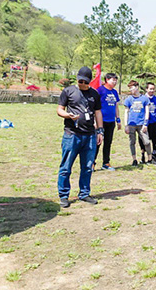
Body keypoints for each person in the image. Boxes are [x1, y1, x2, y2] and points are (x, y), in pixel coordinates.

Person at [56, 66, 104, 207]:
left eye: (85, 82)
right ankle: (64, 195)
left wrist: (100, 131)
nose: (82, 84)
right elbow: (59, 109)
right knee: (66, 167)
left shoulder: (94, 94)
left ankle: (84, 193)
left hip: (89, 136)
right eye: (80, 81)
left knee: (87, 167)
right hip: (72, 135)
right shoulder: (68, 91)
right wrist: (67, 115)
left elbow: (98, 113)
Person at [95, 72, 121, 171]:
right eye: (113, 80)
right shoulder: (100, 90)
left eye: (116, 80)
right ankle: (92, 163)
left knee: (108, 143)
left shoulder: (114, 92)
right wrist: (95, 121)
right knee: (97, 142)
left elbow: (116, 106)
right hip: (101, 121)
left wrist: (118, 119)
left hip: (111, 121)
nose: (114, 82)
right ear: (106, 79)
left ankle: (106, 162)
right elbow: (95, 106)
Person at [124, 80, 152, 166]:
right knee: (132, 142)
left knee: (146, 142)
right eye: (129, 88)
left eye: (132, 87)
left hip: (141, 124)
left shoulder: (144, 99)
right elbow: (126, 112)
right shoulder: (129, 99)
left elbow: (147, 112)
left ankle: (149, 159)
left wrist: (145, 124)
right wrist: (126, 125)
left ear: (137, 87)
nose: (131, 90)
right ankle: (134, 159)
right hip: (131, 124)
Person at [139, 82, 156, 163]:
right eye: (150, 89)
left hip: (154, 122)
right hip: (145, 123)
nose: (152, 90)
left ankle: (154, 153)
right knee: (144, 140)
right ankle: (143, 156)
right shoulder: (142, 98)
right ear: (146, 89)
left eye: (153, 89)